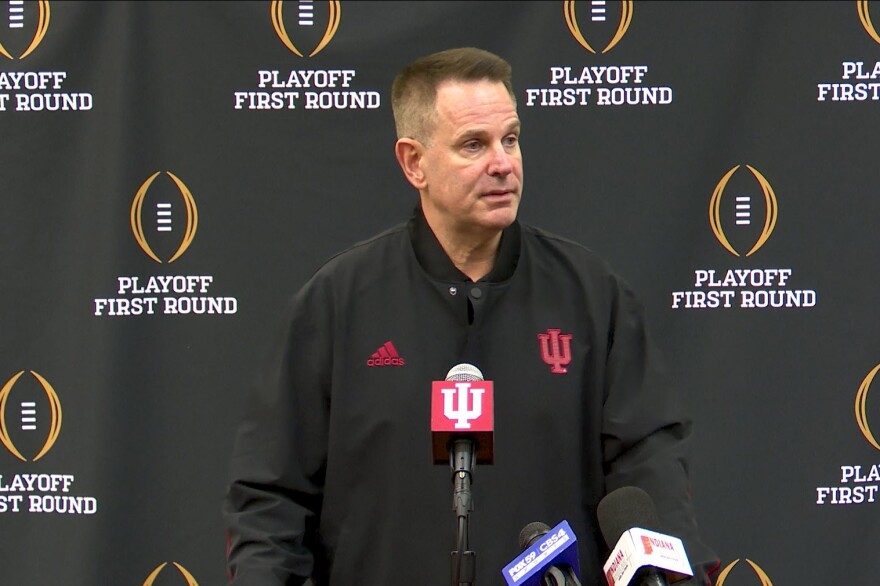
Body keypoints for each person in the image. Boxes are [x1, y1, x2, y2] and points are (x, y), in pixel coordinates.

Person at [223, 47, 719, 585]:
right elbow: (271, 498)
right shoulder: (338, 303)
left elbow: (649, 466)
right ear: (414, 162)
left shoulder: (593, 296)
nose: (502, 163)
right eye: (473, 145)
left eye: (510, 139)